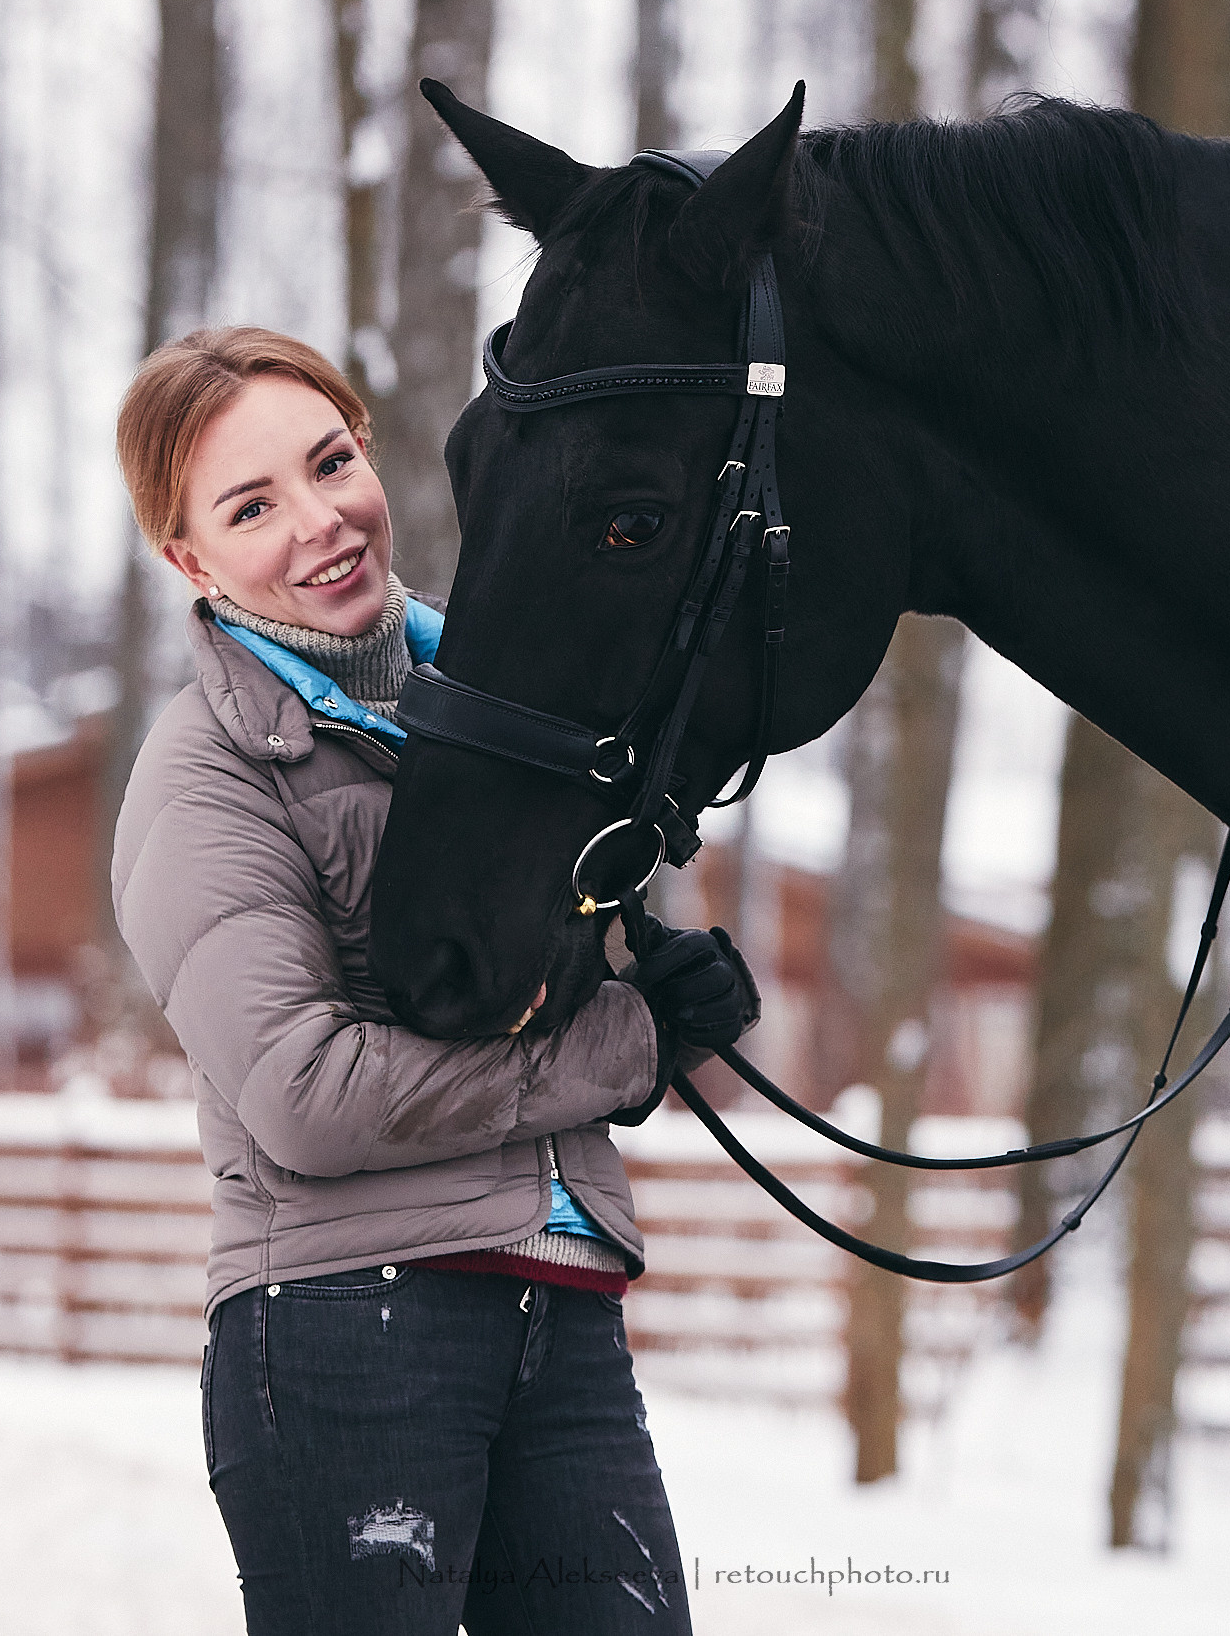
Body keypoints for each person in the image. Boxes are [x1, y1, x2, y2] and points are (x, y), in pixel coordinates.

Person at [110, 327, 756, 1635]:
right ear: (190, 559)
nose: (320, 523)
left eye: (328, 464)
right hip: (348, 1325)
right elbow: (306, 1096)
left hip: (564, 1306)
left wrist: (645, 963)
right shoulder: (205, 779)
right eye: (251, 507)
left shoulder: (501, 706)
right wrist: (628, 1048)